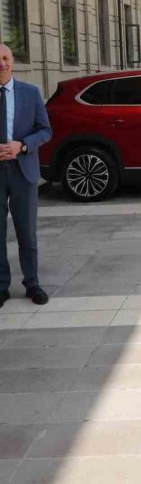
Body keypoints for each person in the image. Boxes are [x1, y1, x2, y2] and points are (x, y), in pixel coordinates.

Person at [0, 44, 52, 309]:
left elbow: (45, 131)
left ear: (12, 61)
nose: (2, 63)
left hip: (24, 171)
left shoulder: (30, 93)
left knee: (26, 233)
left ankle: (32, 283)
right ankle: (1, 286)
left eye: (6, 58)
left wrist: (21, 145)